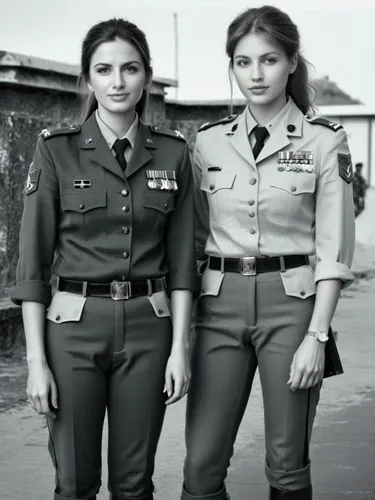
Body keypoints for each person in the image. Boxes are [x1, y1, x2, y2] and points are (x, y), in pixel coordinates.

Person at [11, 18, 196, 500]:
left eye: (130, 69)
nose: (118, 81)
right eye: (104, 69)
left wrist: (180, 348)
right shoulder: (56, 150)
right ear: (88, 79)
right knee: (74, 483)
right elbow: (31, 266)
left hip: (148, 329)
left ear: (147, 78)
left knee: (135, 485)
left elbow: (182, 265)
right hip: (73, 329)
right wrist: (36, 363)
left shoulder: (172, 154)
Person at [181, 6, 355, 500]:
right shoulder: (208, 143)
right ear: (232, 67)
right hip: (217, 305)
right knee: (200, 466)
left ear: (292, 62)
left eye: (269, 60)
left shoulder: (325, 141)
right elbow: (190, 238)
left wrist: (317, 336)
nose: (255, 75)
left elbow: (333, 248)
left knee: (287, 464)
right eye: (242, 62)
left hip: (292, 306)